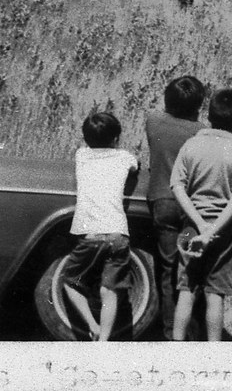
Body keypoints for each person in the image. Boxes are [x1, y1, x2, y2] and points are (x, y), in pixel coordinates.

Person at [170, 88, 232, 342]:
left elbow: (177, 186)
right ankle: (213, 352)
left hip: (191, 226)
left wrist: (199, 225)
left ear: (208, 115)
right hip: (224, 231)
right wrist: (212, 230)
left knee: (186, 290)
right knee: (215, 294)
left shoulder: (191, 146)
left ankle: (176, 347)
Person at [62, 112, 138, 341]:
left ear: (86, 138)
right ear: (116, 138)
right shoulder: (124, 157)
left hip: (91, 234)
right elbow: (135, 166)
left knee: (70, 281)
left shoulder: (81, 155)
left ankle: (92, 325)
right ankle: (103, 341)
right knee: (109, 290)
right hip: (118, 233)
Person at [144, 76, 207, 339]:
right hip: (192, 204)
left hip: (162, 199)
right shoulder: (201, 132)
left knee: (168, 269)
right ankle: (193, 329)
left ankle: (171, 331)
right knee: (191, 268)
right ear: (198, 106)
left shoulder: (153, 121)